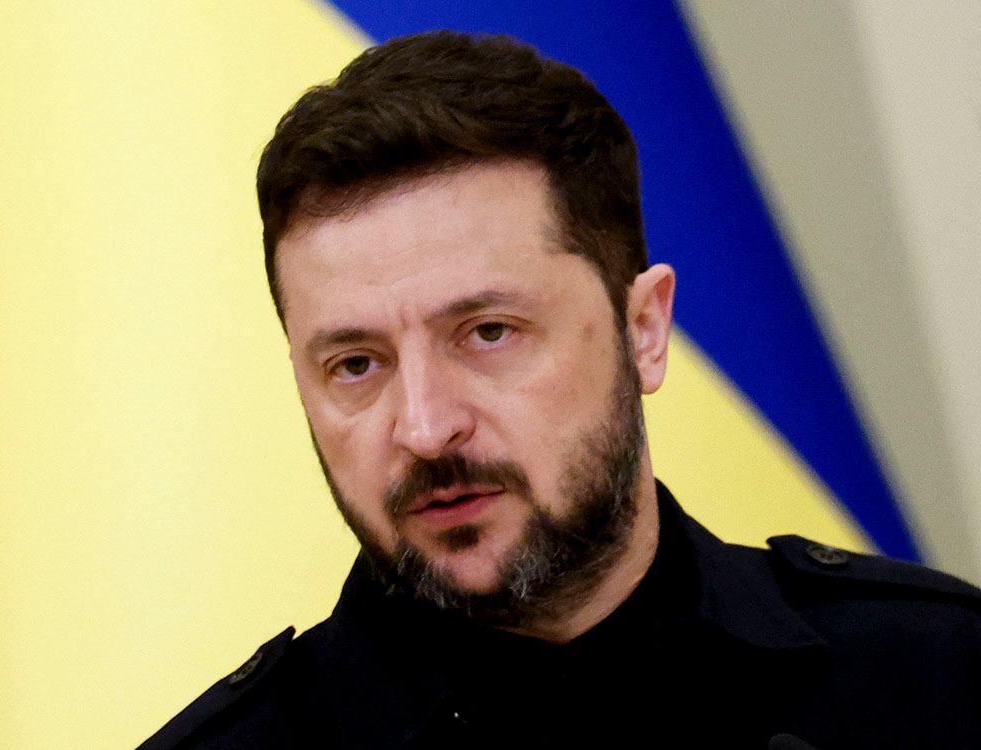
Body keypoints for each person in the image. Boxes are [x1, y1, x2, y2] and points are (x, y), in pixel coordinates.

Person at [138, 31, 981, 749]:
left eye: (488, 333)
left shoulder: (938, 676)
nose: (426, 428)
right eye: (357, 364)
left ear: (643, 330)